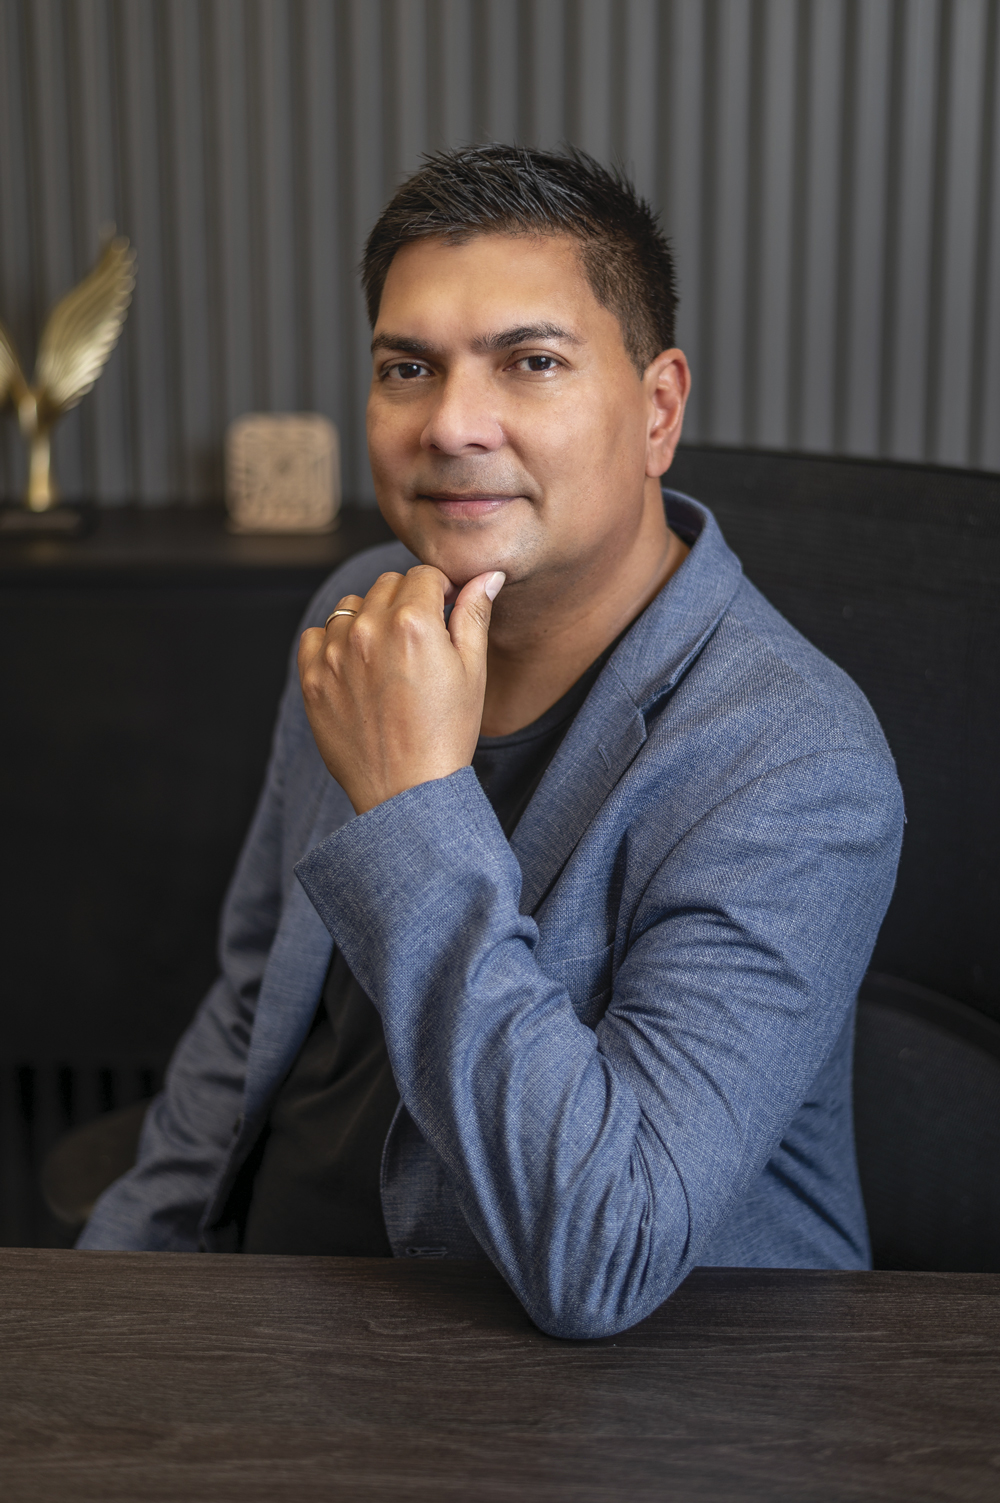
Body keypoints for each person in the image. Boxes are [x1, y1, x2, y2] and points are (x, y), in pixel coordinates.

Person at [79, 145, 903, 1340]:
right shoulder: (360, 614)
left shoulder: (796, 762)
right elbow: (256, 1005)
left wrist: (413, 799)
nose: (452, 425)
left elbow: (604, 1251)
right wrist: (111, 1290)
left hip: (582, 1383)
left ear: (658, 409)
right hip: (274, 1311)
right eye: (407, 368)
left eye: (532, 362)